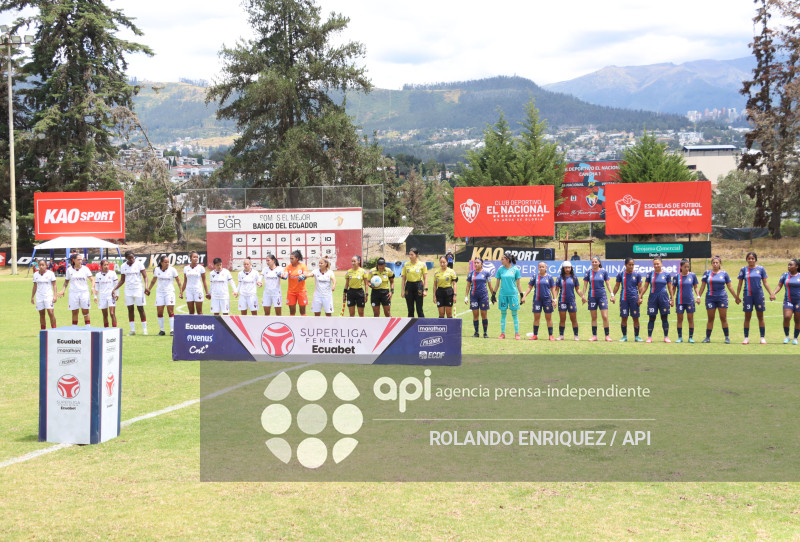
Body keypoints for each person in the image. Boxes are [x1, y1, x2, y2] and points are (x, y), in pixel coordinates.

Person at [736, 251, 776, 344]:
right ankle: (746, 338)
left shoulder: (761, 269)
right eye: (749, 258)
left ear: (755, 260)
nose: (751, 260)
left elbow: (765, 282)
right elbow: (740, 284)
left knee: (760, 317)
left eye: (752, 258)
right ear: (746, 260)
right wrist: (737, 296)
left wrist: (771, 293)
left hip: (758, 295)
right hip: (747, 295)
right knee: (747, 317)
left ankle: (762, 337)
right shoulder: (743, 270)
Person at [697, 256, 738, 344]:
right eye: (713, 263)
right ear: (711, 264)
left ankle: (727, 337)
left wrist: (736, 297)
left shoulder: (724, 273)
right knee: (710, 318)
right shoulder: (707, 273)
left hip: (722, 298)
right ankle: (707, 338)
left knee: (723, 318)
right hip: (710, 298)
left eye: (717, 263)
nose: (715, 264)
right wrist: (698, 296)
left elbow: (729, 286)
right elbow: (703, 286)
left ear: (720, 264)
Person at [113, 251, 149, 335]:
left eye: (133, 257)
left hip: (138, 289)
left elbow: (145, 276)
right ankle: (132, 330)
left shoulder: (139, 264)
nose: (132, 259)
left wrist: (146, 286)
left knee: (140, 309)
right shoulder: (123, 266)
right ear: (126, 258)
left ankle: (145, 329)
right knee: (130, 309)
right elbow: (122, 280)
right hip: (128, 290)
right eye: (130, 258)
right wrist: (114, 289)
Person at [640, 258, 673, 343]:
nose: (656, 265)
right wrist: (640, 296)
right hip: (652, 299)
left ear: (661, 264)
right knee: (652, 318)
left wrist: (672, 298)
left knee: (664, 318)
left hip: (664, 299)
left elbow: (670, 287)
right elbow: (646, 286)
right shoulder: (650, 274)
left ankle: (666, 337)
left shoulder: (667, 275)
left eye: (658, 264)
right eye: (654, 264)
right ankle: (649, 337)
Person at [583, 256, 615, 341]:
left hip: (602, 296)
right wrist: (583, 295)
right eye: (593, 262)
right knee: (594, 317)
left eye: (596, 262)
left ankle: (607, 335)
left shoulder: (604, 272)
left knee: (604, 316)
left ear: (599, 263)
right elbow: (585, 285)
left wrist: (612, 294)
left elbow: (608, 284)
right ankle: (594, 336)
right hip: (592, 296)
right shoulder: (588, 272)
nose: (594, 263)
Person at [522, 261, 556, 340]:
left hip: (547, 300)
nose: (541, 268)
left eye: (543, 267)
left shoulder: (550, 277)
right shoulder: (535, 276)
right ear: (538, 268)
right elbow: (529, 287)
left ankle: (550, 335)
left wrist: (554, 299)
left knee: (548, 318)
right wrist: (524, 296)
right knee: (536, 318)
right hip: (537, 300)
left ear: (546, 268)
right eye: (540, 266)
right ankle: (535, 335)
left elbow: (553, 289)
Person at [492, 252, 522, 340]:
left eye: (502, 259)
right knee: (503, 314)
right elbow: (497, 284)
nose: (501, 261)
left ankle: (517, 334)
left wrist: (521, 294)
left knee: (514, 314)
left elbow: (518, 284)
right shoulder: (500, 270)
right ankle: (502, 333)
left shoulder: (515, 269)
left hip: (513, 295)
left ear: (508, 260)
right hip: (502, 295)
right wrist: (494, 294)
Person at [148, 256, 181, 335]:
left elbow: (178, 280)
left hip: (169, 292)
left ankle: (172, 330)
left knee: (170, 311)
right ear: (161, 263)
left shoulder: (172, 270)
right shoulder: (156, 270)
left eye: (168, 262)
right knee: (159, 311)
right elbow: (153, 280)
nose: (167, 264)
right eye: (165, 262)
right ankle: (162, 330)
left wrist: (181, 291)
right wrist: (148, 289)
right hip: (159, 293)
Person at [613, 257, 643, 342]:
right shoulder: (621, 274)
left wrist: (640, 298)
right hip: (624, 299)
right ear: (625, 265)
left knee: (635, 318)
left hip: (634, 299)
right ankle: (624, 336)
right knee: (624, 317)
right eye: (629, 265)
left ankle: (637, 337)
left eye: (633, 264)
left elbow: (640, 287)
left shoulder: (637, 275)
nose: (631, 266)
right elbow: (617, 286)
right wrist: (613, 295)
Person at [61, 253, 94, 327]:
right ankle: (74, 328)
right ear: (74, 260)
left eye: (81, 259)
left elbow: (92, 280)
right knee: (74, 311)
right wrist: (63, 290)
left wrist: (92, 287)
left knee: (85, 311)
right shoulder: (69, 270)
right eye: (78, 259)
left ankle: (88, 328)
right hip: (73, 293)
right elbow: (66, 282)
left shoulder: (85, 269)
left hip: (84, 292)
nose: (80, 261)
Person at [672, 259, 699, 343]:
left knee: (690, 319)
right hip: (680, 301)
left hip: (690, 301)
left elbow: (696, 287)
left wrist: (698, 296)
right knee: (680, 319)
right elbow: (673, 289)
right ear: (681, 267)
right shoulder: (677, 276)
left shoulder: (693, 275)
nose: (687, 268)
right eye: (685, 267)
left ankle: (690, 337)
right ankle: (680, 337)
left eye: (688, 267)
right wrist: (671, 299)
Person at [773, 258, 800, 345]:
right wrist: (773, 293)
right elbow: (779, 286)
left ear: (796, 266)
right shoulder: (785, 275)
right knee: (787, 317)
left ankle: (795, 338)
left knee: (797, 319)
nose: (789, 266)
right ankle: (787, 336)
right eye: (788, 265)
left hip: (798, 302)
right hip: (788, 300)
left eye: (791, 265)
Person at [465, 258, 493, 338]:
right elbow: (468, 286)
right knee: (475, 315)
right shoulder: (471, 274)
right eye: (475, 263)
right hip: (474, 296)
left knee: (484, 315)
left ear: (482, 264)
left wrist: (493, 295)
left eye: (478, 263)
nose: (476, 264)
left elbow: (490, 285)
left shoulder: (486, 273)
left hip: (483, 296)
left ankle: (485, 333)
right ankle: (476, 332)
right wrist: (466, 296)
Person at [555, 261, 583, 341]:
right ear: (563, 268)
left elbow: (577, 289)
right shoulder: (559, 278)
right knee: (562, 319)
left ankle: (576, 336)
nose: (568, 269)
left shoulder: (574, 277)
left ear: (571, 268)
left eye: (569, 268)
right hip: (562, 301)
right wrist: (554, 299)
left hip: (571, 301)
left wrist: (582, 296)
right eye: (566, 268)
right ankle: (561, 335)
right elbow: (556, 290)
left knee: (573, 319)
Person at [31, 259, 57, 330]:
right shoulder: (35, 274)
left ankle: (54, 330)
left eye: (43, 265)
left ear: (46, 266)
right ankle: (43, 331)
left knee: (50, 313)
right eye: (40, 265)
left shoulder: (50, 274)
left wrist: (55, 295)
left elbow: (54, 285)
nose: (41, 266)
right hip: (39, 297)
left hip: (48, 296)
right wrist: (32, 297)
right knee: (41, 314)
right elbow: (35, 286)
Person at [401, 248, 427, 317]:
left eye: (412, 255)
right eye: (409, 255)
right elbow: (403, 279)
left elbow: (425, 278)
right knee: (410, 309)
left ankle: (421, 326)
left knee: (419, 309)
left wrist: (425, 290)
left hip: (418, 286)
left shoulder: (422, 264)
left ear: (417, 255)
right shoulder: (406, 265)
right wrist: (402, 291)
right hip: (409, 286)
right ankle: (410, 327)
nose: (410, 256)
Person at [94, 259, 119, 328]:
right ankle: (106, 330)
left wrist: (117, 294)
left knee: (112, 313)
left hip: (111, 296)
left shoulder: (112, 273)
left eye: (107, 265)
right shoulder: (97, 275)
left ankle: (115, 329)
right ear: (101, 266)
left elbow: (117, 284)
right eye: (105, 265)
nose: (106, 266)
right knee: (105, 315)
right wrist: (95, 296)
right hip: (102, 296)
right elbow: (97, 287)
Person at [284, 250, 309, 316]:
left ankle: (304, 325)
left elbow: (306, 274)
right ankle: (292, 325)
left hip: (301, 291)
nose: (291, 260)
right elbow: (285, 275)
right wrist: (281, 276)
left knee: (302, 312)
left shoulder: (302, 266)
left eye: (292, 258)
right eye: (290, 258)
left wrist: (303, 276)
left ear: (297, 258)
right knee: (292, 312)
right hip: (291, 292)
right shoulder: (288, 267)